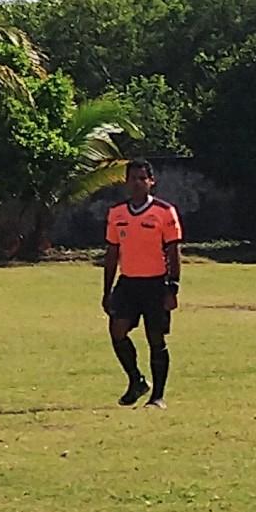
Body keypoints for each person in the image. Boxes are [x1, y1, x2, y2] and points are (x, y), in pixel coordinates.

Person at [103, 159, 182, 409]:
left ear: (151, 181)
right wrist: (107, 291)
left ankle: (157, 396)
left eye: (141, 178)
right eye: (132, 178)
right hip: (128, 284)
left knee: (155, 338)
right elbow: (112, 252)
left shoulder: (164, 212)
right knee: (117, 331)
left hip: (155, 284)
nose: (137, 183)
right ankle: (136, 380)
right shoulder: (117, 214)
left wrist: (172, 287)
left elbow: (173, 252)